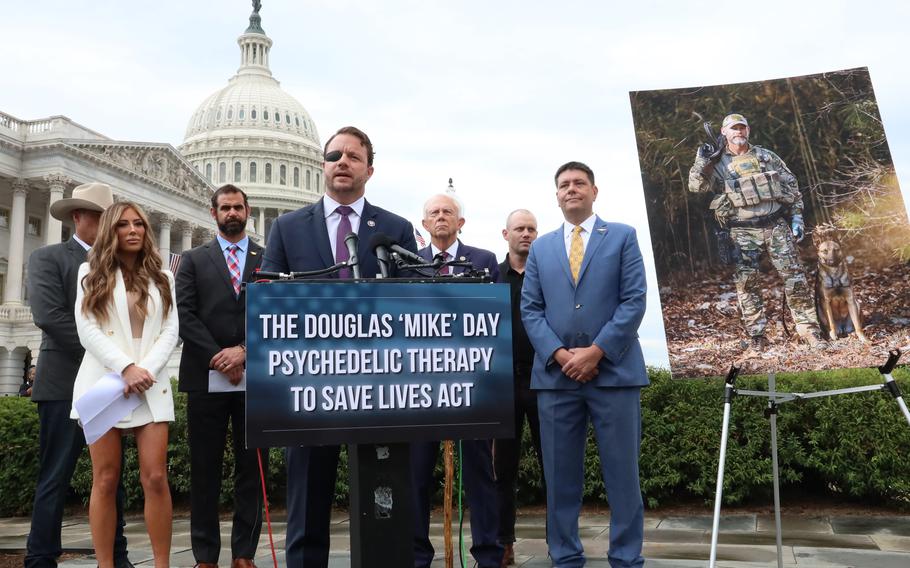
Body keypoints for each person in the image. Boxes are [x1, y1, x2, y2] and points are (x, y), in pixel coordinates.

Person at [262, 126, 417, 567]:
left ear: (370, 168)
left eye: (353, 156)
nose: (342, 161)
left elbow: (412, 303)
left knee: (384, 503)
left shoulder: (394, 228)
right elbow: (269, 297)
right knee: (307, 506)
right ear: (322, 165)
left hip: (380, 387)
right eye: (334, 155)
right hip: (312, 389)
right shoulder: (289, 228)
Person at [521, 161, 648, 568]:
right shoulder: (541, 248)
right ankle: (564, 557)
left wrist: (597, 352)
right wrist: (560, 354)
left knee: (623, 477)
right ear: (556, 195)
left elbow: (634, 300)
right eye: (563, 185)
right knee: (559, 479)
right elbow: (531, 310)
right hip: (557, 380)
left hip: (615, 374)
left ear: (595, 191)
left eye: (579, 183)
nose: (571, 189)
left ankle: (626, 558)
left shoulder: (623, 237)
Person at [26, 182, 133, 568]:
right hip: (64, 382)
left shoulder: (123, 265)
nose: (110, 226)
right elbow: (50, 317)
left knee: (111, 478)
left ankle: (117, 556)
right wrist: (113, 357)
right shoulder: (48, 258)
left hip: (109, 385)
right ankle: (41, 557)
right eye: (102, 218)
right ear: (78, 217)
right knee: (55, 475)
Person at [72, 201, 179, 568]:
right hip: (104, 382)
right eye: (123, 225)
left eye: (139, 224)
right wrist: (126, 367)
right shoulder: (90, 272)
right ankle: (106, 565)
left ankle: (162, 564)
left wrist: (144, 369)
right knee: (105, 479)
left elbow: (170, 329)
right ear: (110, 231)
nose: (133, 230)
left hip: (149, 382)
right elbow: (87, 329)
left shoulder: (164, 275)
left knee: (155, 477)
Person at [410, 192, 503, 568]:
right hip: (420, 390)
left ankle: (488, 554)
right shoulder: (410, 265)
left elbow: (496, 320)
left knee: (480, 475)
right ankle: (418, 556)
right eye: (434, 212)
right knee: (416, 474)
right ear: (424, 224)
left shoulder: (483, 261)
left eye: (448, 212)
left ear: (460, 222)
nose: (441, 217)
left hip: (472, 387)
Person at [177, 184, 265, 568]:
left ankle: (244, 553)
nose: (232, 213)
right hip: (205, 376)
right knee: (205, 469)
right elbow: (184, 314)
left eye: (238, 207)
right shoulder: (192, 260)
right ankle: (205, 555)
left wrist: (244, 352)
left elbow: (275, 314)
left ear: (248, 211)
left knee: (252, 469)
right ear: (213, 213)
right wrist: (218, 357)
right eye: (225, 208)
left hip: (257, 377)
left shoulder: (267, 259)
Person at [688, 113, 826, 350]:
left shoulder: (765, 156)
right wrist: (702, 161)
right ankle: (757, 336)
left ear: (748, 130)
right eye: (733, 129)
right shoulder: (717, 162)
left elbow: (791, 185)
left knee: (796, 280)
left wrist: (796, 217)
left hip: (775, 226)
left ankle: (810, 332)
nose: (738, 132)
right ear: (724, 132)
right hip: (742, 231)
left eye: (742, 128)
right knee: (747, 284)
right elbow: (695, 187)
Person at [494, 209, 545, 567]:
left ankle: (559, 538)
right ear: (505, 234)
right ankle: (502, 543)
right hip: (502, 384)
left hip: (543, 381)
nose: (525, 234)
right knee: (503, 469)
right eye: (519, 229)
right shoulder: (492, 278)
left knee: (553, 466)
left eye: (531, 229)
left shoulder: (548, 277)